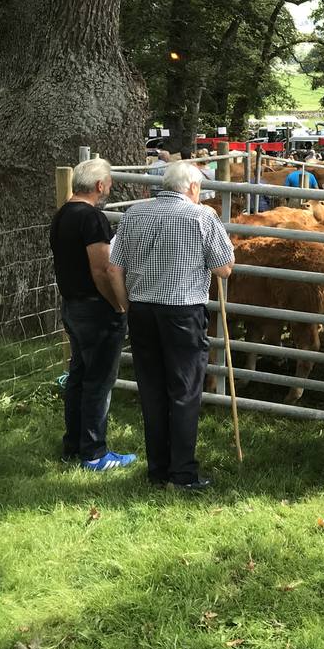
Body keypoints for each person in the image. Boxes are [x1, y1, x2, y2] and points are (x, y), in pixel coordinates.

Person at [108, 161, 235, 491]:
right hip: (181, 313)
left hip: (142, 312)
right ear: (192, 187)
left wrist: (127, 305)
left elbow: (114, 268)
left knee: (151, 390)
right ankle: (182, 474)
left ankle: (158, 470)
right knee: (184, 391)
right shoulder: (201, 216)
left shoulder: (135, 213)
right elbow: (224, 268)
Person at [51, 157, 136, 471]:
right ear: (100, 185)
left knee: (79, 377)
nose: (109, 187)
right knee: (99, 381)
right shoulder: (92, 218)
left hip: (72, 305)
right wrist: (118, 303)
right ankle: (95, 453)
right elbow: (102, 270)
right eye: (109, 183)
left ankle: (73, 445)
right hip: (95, 308)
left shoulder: (61, 215)